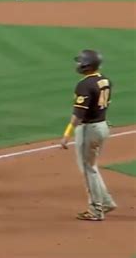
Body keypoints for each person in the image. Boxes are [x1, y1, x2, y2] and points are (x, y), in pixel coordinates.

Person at [61, 50, 117, 221]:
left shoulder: (84, 85)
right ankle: (106, 202)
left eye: (80, 62)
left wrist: (67, 134)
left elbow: (78, 114)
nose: (78, 64)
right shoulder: (105, 80)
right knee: (92, 168)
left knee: (88, 170)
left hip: (89, 130)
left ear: (87, 65)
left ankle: (96, 210)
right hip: (102, 126)